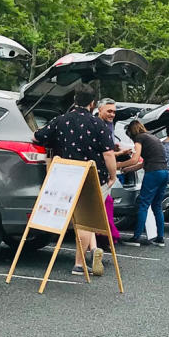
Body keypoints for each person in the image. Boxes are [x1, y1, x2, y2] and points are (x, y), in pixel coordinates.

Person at [33, 84, 116, 276]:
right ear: (93, 103)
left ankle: (93, 250)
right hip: (92, 176)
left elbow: (38, 137)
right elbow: (109, 154)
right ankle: (80, 263)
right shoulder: (98, 124)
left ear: (74, 100)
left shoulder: (60, 120)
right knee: (87, 220)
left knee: (77, 219)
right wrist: (112, 176)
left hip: (66, 175)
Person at [119, 120, 168, 247]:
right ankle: (160, 238)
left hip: (153, 173)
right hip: (164, 172)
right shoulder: (153, 138)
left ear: (131, 131)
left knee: (143, 205)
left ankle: (136, 237)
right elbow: (143, 163)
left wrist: (118, 165)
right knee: (157, 205)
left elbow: (135, 159)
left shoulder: (139, 138)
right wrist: (127, 169)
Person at [95, 98, 123, 245]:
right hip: (100, 172)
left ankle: (103, 237)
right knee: (103, 204)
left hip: (106, 172)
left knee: (106, 203)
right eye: (109, 111)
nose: (112, 114)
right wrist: (114, 154)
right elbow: (105, 153)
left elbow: (108, 149)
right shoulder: (97, 125)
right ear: (99, 110)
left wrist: (114, 148)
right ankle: (103, 236)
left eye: (114, 112)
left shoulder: (109, 125)